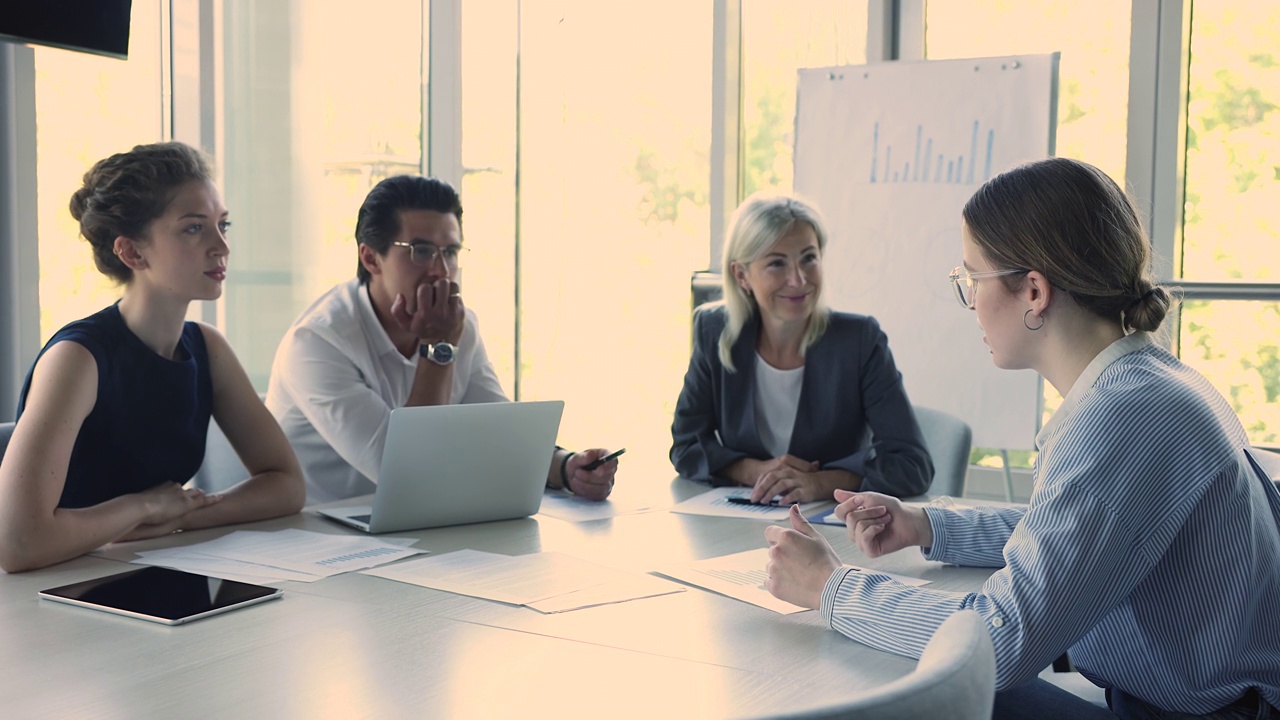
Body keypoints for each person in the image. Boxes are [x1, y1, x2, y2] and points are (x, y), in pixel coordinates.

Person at [762, 158, 1280, 719]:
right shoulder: (1149, 383)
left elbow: (1002, 642)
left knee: (905, 684)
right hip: (1190, 702)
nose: (971, 303)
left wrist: (829, 588)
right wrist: (927, 524)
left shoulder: (1121, 416)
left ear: (1033, 290)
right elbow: (1073, 531)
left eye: (971, 279)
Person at [0, 142, 306, 573]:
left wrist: (180, 515)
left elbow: (287, 485)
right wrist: (143, 506)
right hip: (55, 594)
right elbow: (18, 543)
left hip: (143, 571)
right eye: (194, 229)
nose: (222, 246)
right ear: (133, 252)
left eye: (223, 224)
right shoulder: (77, 358)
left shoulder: (207, 347)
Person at [266, 175, 619, 505]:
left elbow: (497, 432)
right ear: (371, 258)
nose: (441, 270)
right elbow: (407, 475)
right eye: (421, 251)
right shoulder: (317, 343)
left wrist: (566, 467)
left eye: (450, 252)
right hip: (315, 545)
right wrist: (437, 348)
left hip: (411, 532)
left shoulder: (456, 325)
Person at [670, 193, 932, 503]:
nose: (798, 280)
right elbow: (686, 447)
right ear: (742, 275)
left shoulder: (860, 341)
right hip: (743, 518)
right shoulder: (714, 331)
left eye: (809, 258)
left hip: (835, 531)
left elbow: (912, 465)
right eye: (777, 263)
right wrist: (757, 472)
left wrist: (821, 483)